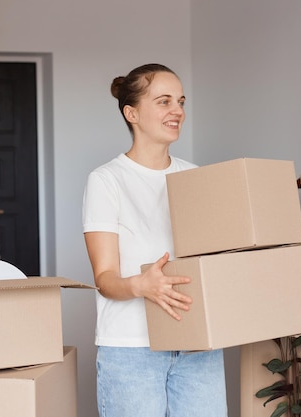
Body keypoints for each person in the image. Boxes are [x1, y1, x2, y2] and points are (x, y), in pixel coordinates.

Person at [82, 63, 228, 417]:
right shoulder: (107, 181)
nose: (177, 110)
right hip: (132, 349)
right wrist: (141, 285)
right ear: (131, 112)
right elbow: (105, 280)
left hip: (196, 343)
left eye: (180, 101)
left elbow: (213, 258)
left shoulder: (194, 177)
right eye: (164, 101)